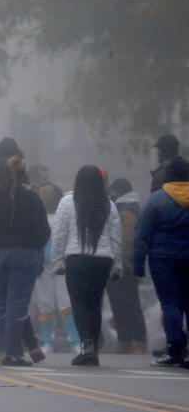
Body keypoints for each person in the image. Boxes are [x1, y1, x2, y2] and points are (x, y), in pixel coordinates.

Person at [0, 156, 50, 367]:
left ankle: (8, 349)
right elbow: (44, 231)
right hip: (25, 254)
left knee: (1, 304)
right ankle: (12, 352)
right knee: (17, 303)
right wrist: (35, 248)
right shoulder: (32, 198)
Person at [51, 165, 122, 366]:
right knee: (94, 305)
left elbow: (59, 234)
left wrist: (57, 262)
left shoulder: (67, 202)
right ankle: (94, 351)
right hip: (102, 261)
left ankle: (86, 348)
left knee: (79, 305)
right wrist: (117, 266)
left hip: (77, 259)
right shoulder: (109, 205)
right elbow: (116, 238)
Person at [134, 156, 189, 368]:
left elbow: (142, 234)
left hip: (163, 260)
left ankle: (175, 349)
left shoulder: (156, 200)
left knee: (170, 304)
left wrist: (138, 264)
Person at [33, 183, 81, 355]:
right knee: (45, 305)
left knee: (66, 303)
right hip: (42, 268)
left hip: (62, 265)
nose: (47, 196)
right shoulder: (37, 216)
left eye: (50, 193)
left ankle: (75, 341)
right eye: (43, 193)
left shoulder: (64, 214)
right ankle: (47, 342)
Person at [106, 178, 148, 354]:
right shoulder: (126, 208)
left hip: (123, 265)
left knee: (128, 304)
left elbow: (126, 241)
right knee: (120, 304)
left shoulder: (127, 212)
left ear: (118, 191)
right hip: (123, 264)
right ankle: (125, 341)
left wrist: (119, 263)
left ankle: (136, 342)